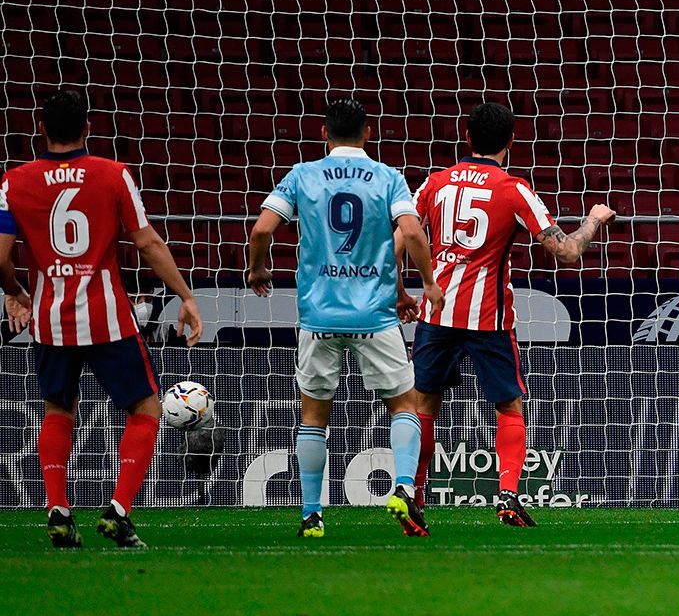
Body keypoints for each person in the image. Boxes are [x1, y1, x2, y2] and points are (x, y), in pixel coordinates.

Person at [0, 89, 203, 548]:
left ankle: (58, 509)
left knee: (57, 412)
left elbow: (0, 256)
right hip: (107, 317)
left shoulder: (14, 183)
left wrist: (15, 292)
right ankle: (118, 510)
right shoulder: (113, 175)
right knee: (146, 410)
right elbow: (147, 243)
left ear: (41, 128)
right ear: (88, 128)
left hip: (50, 320)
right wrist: (185, 296)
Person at [246, 99, 445, 539]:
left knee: (314, 415)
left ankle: (311, 515)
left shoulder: (303, 174)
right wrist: (427, 283)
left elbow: (261, 229)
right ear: (368, 133)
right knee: (404, 404)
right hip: (374, 315)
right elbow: (411, 232)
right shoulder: (387, 177)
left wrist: (258, 268)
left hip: (318, 315)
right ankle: (404, 488)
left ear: (324, 133)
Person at [411, 102, 615, 527]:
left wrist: (399, 290)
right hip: (488, 319)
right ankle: (507, 495)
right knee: (510, 406)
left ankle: (415, 496)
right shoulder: (512, 189)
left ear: (466, 137)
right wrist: (594, 220)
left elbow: (404, 233)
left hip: (437, 313)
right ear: (511, 141)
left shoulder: (435, 184)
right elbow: (568, 252)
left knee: (423, 406)